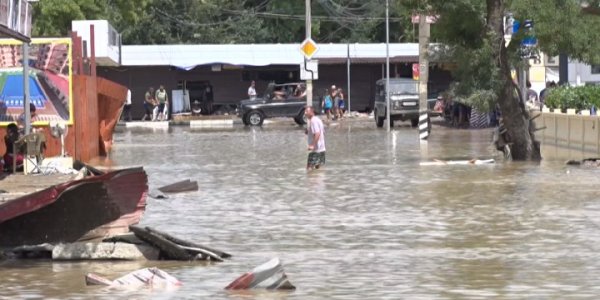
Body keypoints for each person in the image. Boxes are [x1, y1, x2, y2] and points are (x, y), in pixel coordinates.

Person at [305, 106, 326, 170]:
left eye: (306, 111)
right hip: (322, 149)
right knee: (318, 169)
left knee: (309, 169)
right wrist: (308, 131)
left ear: (311, 112)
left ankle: (311, 180)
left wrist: (312, 145)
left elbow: (317, 133)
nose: (305, 113)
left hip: (316, 149)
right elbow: (322, 132)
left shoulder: (313, 121)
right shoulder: (318, 119)